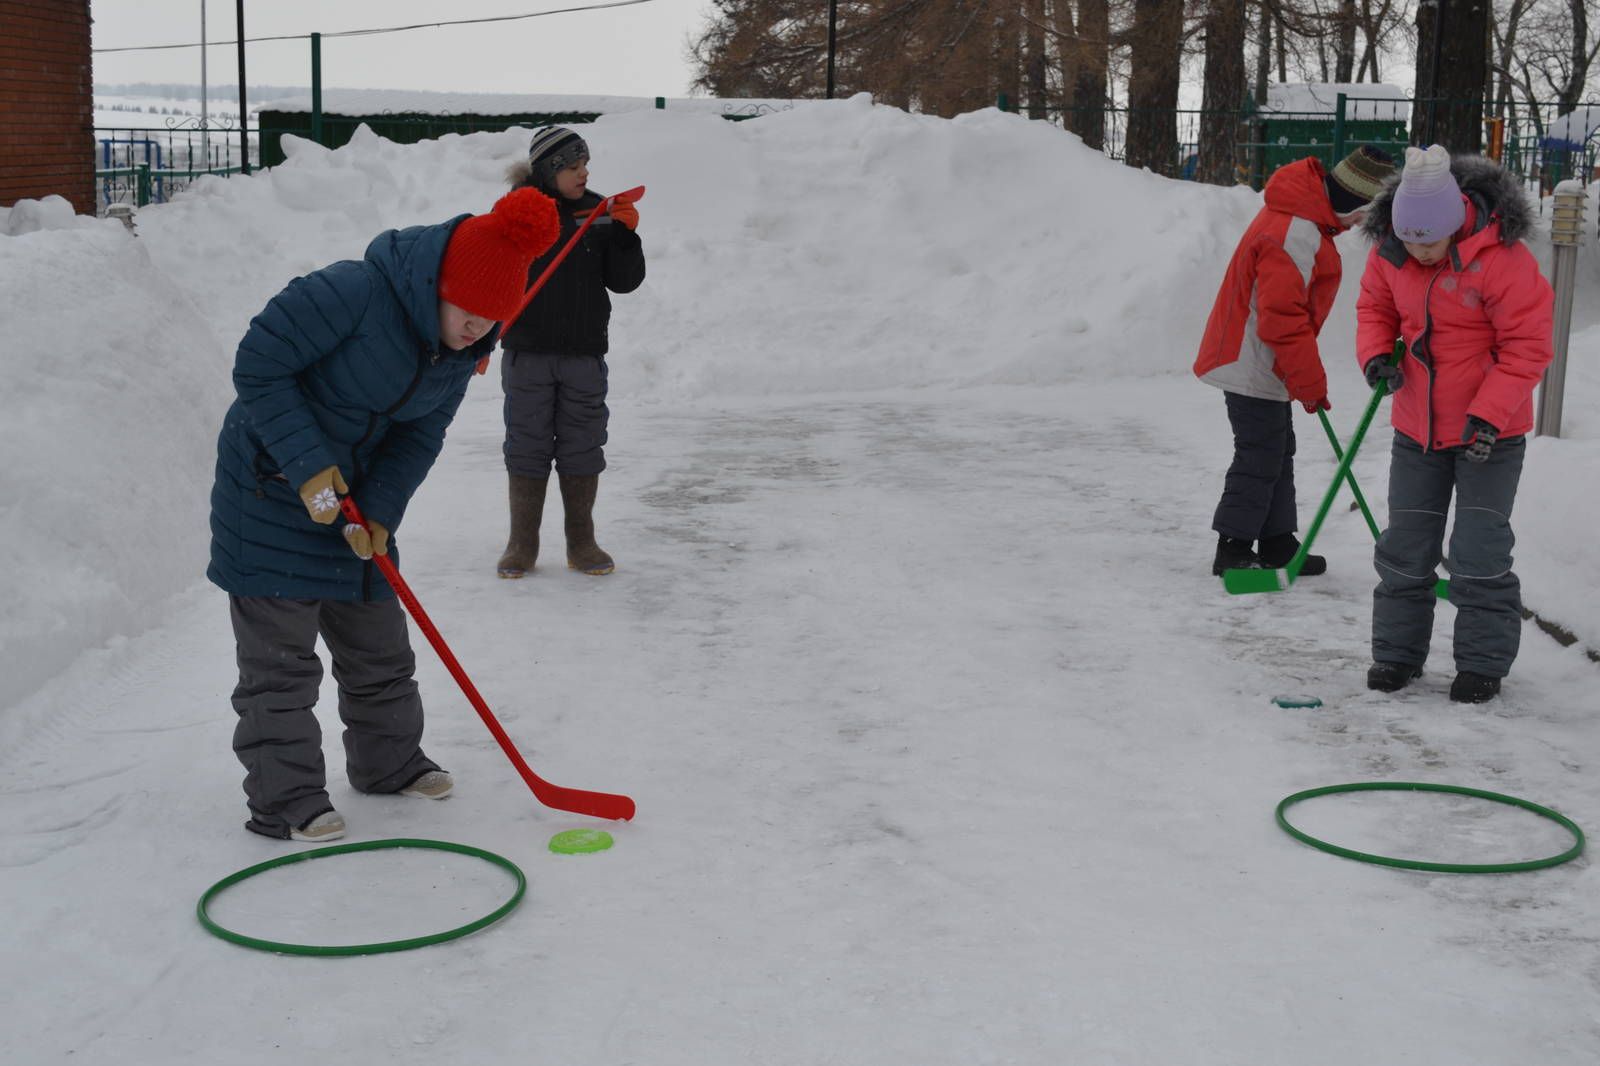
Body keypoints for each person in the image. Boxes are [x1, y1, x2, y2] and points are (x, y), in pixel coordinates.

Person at [208, 187, 561, 840]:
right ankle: (286, 800)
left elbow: (417, 438)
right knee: (281, 668)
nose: (478, 328)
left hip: (352, 506)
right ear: (440, 284)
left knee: (379, 647)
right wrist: (308, 466)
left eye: (493, 319)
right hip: (269, 493)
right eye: (471, 311)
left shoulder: (458, 357)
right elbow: (259, 365)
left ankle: (389, 763)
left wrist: (382, 512)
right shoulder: (354, 292)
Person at [1355, 144, 1554, 703]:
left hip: (1490, 434)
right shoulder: (1392, 253)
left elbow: (1528, 346)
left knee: (1479, 553)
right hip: (1416, 429)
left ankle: (1481, 664)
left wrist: (1489, 416)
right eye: (1408, 240)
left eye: (1428, 241)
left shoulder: (1503, 261)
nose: (1416, 252)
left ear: (1454, 223)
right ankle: (1397, 656)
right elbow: (1374, 308)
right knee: (1405, 548)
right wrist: (1375, 355)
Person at [1194, 145, 1397, 577]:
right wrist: (1308, 381)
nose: (1362, 221)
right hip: (1251, 361)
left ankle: (1276, 542)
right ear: (1350, 201)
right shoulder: (1296, 231)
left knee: (1278, 449)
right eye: (1363, 211)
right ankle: (1233, 548)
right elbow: (1281, 319)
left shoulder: (1304, 222)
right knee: (1259, 453)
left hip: (1266, 363)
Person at [495, 126, 647, 578]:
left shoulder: (596, 211)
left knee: (583, 443)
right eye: (573, 166)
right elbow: (493, 271)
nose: (584, 172)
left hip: (583, 353)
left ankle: (582, 540)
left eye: (585, 164)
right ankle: (522, 542)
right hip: (526, 351)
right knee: (527, 444)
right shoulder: (517, 212)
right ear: (549, 170)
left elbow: (624, 282)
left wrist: (624, 236)